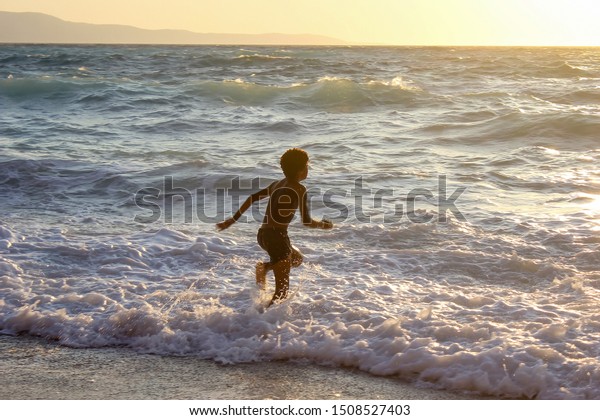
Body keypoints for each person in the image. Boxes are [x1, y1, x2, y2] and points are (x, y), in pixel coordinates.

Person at [216, 148, 333, 307]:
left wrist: (232, 220)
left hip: (264, 235)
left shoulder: (277, 184)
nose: (308, 169)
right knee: (281, 293)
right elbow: (306, 221)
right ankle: (262, 323)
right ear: (300, 171)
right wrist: (323, 225)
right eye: (307, 166)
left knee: (297, 259)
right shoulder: (299, 189)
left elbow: (252, 198)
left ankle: (265, 268)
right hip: (277, 237)